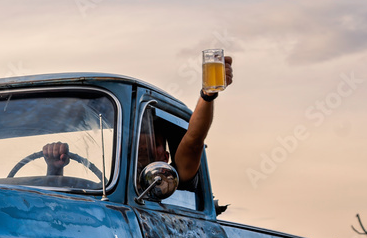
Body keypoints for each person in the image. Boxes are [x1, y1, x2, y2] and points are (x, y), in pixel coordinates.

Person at [43, 56, 234, 183]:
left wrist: (207, 95)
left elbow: (193, 141)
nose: (142, 143)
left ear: (165, 157)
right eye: (136, 137)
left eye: (153, 141)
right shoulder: (108, 188)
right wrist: (54, 169)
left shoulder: (174, 182)